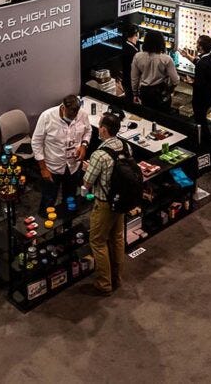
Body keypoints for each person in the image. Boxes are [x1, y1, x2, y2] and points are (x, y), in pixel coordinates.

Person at [81, 112, 127, 296]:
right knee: (117, 238)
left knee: (98, 242)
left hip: (105, 204)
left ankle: (104, 283)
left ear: (104, 129)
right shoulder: (124, 146)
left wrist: (87, 169)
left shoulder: (100, 155)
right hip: (121, 200)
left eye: (99, 125)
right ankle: (117, 277)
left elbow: (87, 182)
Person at [31, 95, 92, 217]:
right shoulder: (47, 117)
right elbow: (36, 142)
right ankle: (44, 225)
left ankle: (67, 223)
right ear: (63, 107)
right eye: (70, 115)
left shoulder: (82, 115)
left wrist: (84, 146)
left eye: (75, 116)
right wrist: (43, 168)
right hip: (53, 168)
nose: (72, 118)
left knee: (70, 198)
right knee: (48, 199)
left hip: (73, 166)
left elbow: (88, 131)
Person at [180, 35, 211, 154]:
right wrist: (187, 56)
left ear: (200, 47)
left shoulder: (203, 64)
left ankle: (210, 147)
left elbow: (199, 84)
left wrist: (189, 82)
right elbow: (199, 62)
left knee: (201, 121)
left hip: (201, 98)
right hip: (210, 95)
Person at [131, 30, 179, 111]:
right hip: (161, 91)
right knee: (163, 117)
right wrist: (170, 89)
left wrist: (135, 93)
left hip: (145, 92)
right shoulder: (166, 59)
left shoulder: (137, 56)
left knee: (147, 115)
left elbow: (134, 78)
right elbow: (175, 80)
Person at [120, 24, 140, 100]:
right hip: (131, 82)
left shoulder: (124, 46)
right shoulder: (133, 52)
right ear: (136, 34)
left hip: (126, 80)